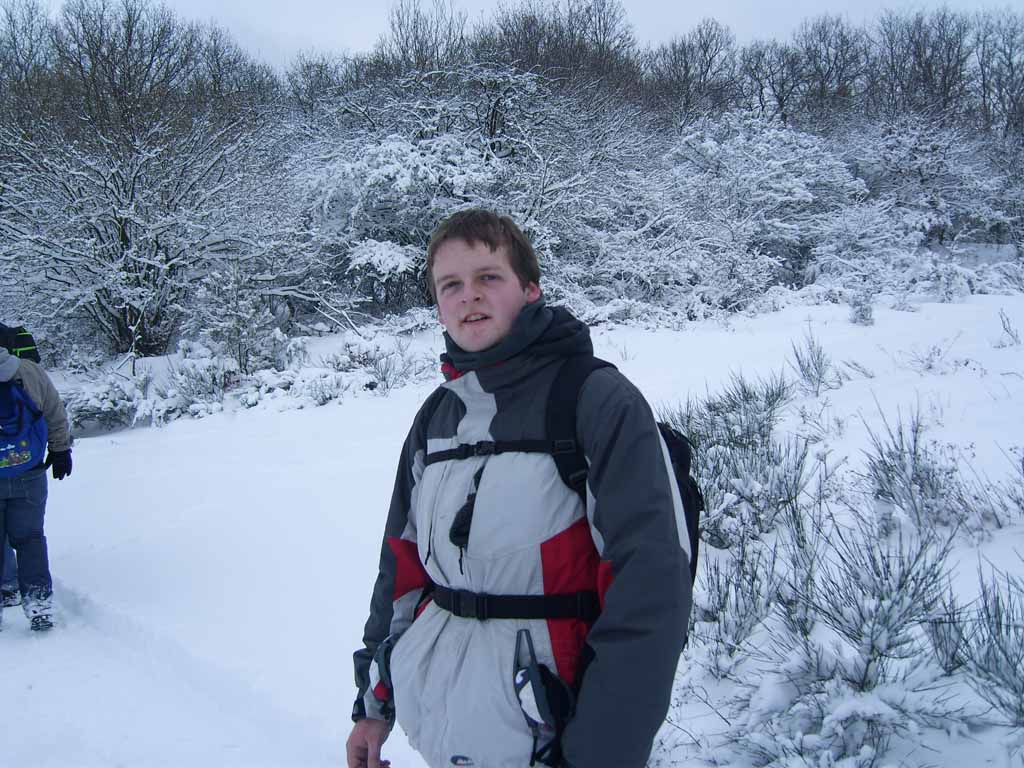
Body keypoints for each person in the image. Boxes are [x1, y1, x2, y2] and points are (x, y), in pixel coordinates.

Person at [346, 209, 692, 768]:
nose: (468, 296)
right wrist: (373, 704)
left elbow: (650, 593)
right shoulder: (436, 417)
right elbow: (401, 572)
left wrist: (599, 755)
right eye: (450, 285)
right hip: (444, 731)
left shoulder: (596, 401)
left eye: (488, 276)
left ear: (530, 289)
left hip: (553, 741)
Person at [0, 346, 72, 632]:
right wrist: (60, 450)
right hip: (28, 470)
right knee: (30, 538)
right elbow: (54, 411)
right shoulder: (29, 370)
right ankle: (39, 604)